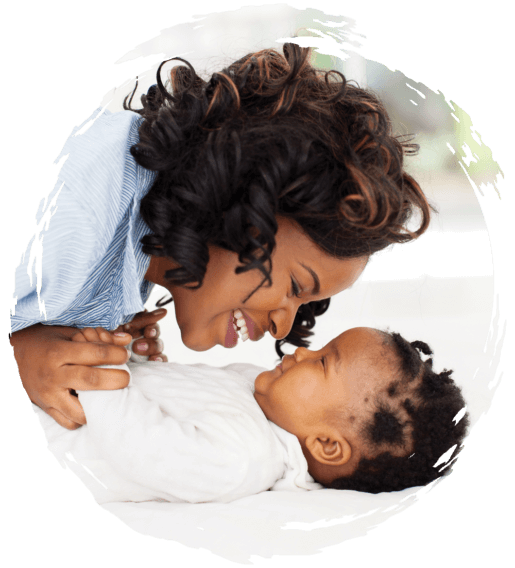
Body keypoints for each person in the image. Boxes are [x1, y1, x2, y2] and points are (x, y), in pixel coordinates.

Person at [10, 42, 433, 431]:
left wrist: (84, 330)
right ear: (242, 200)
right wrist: (21, 356)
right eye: (296, 287)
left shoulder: (132, 259)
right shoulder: (82, 192)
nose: (284, 327)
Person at [34, 325, 467, 503]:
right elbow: (171, 399)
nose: (299, 351)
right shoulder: (259, 391)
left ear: (326, 445)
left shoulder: (244, 457)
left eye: (321, 362)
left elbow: (142, 446)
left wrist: (105, 364)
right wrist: (133, 350)